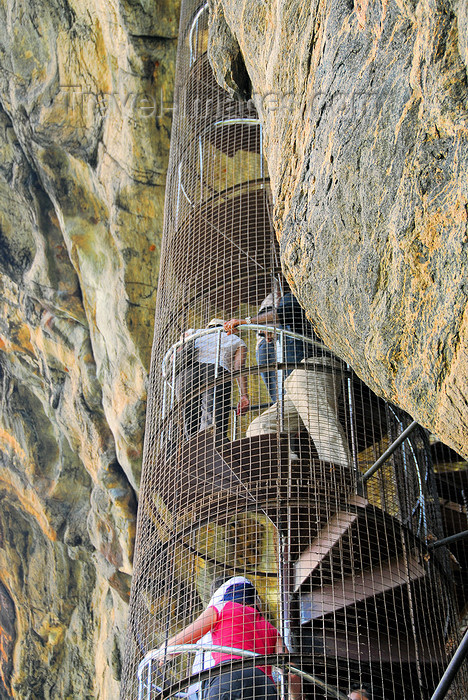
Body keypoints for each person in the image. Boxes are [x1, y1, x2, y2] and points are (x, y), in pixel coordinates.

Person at [224, 293, 352, 468]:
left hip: (313, 366)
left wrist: (247, 321)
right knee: (258, 428)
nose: (263, 334)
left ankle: (344, 478)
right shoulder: (275, 344)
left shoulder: (294, 297)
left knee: (320, 423)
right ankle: (290, 477)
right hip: (294, 383)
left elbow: (288, 311)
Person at [159, 577, 303, 700]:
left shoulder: (222, 608)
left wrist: (162, 652)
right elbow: (292, 674)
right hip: (263, 685)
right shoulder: (271, 629)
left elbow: (187, 637)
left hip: (227, 676)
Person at [175, 319, 250, 445]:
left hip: (187, 374)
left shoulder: (194, 333)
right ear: (227, 327)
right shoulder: (236, 339)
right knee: (212, 418)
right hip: (215, 372)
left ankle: (190, 449)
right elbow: (238, 368)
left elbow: (176, 355)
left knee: (189, 416)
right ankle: (210, 449)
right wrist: (244, 395)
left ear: (208, 326)